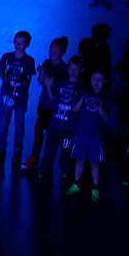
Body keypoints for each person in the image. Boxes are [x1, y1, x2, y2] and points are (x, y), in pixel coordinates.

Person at [21, 36, 70, 174]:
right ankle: (34, 158)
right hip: (43, 106)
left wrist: (49, 82)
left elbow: (58, 89)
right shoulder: (47, 63)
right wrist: (42, 74)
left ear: (62, 53)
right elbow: (40, 81)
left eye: (55, 50)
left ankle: (52, 163)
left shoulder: (64, 69)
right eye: (51, 49)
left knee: (53, 137)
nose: (52, 52)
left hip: (55, 109)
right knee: (39, 133)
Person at [0, 31, 37, 170]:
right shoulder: (7, 57)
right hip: (6, 96)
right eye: (16, 42)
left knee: (19, 125)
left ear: (27, 44)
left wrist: (21, 79)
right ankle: (1, 150)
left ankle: (17, 153)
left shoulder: (29, 61)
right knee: (4, 124)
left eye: (21, 43)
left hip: (20, 99)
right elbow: (1, 73)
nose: (18, 45)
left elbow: (28, 79)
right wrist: (4, 75)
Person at [66, 70, 113, 200]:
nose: (96, 82)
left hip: (96, 138)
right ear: (90, 80)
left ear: (104, 81)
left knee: (94, 163)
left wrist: (99, 107)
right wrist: (82, 99)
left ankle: (95, 188)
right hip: (81, 135)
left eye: (99, 79)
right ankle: (76, 184)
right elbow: (74, 109)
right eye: (94, 79)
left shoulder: (106, 97)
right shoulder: (84, 92)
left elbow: (107, 118)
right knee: (79, 160)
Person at [37, 56, 83, 184]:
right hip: (54, 124)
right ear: (67, 68)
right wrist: (47, 86)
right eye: (71, 68)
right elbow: (53, 99)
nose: (73, 72)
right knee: (49, 150)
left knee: (66, 153)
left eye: (76, 69)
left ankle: (65, 172)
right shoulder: (61, 82)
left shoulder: (81, 87)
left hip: (69, 128)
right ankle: (45, 170)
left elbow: (77, 109)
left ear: (81, 70)